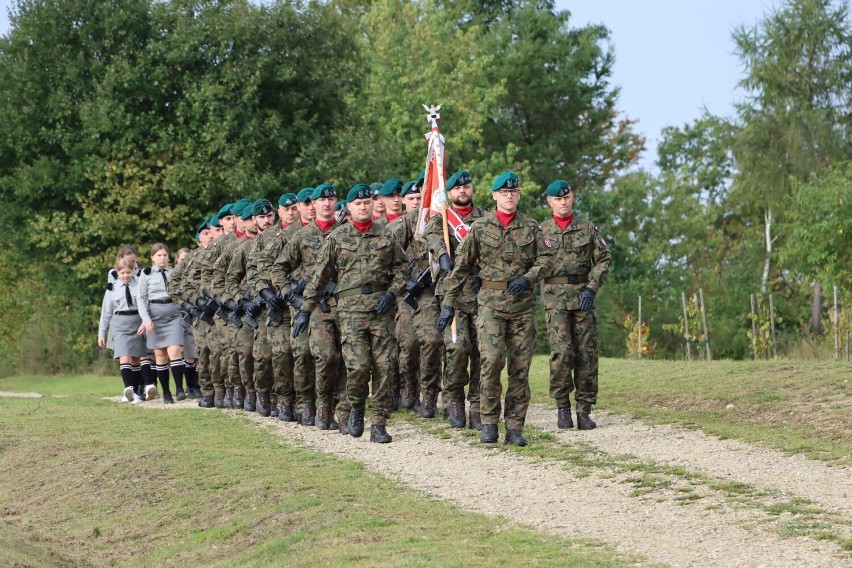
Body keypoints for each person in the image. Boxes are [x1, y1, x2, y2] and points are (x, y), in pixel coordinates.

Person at [437, 171, 553, 446]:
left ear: (518, 195)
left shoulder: (531, 227)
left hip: (522, 309)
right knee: (490, 364)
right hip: (489, 305)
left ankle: (514, 428)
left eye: (513, 192)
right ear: (494, 195)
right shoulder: (480, 228)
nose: (509, 196)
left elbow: (547, 259)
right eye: (504, 192)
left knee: (520, 369)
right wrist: (448, 304)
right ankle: (489, 423)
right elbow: (462, 267)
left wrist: (529, 278)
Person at [292, 183, 407, 443]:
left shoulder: (387, 236)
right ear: (350, 207)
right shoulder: (338, 238)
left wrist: (392, 293)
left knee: (385, 367)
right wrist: (304, 310)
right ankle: (355, 407)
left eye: (367, 202)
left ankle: (379, 422)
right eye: (358, 203)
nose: (364, 206)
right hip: (351, 313)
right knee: (358, 366)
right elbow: (319, 278)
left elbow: (402, 270)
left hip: (382, 310)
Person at [539, 180, 611, 430]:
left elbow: (604, 258)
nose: (563, 202)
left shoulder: (587, 228)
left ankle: (584, 410)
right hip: (555, 300)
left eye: (566, 197)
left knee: (586, 353)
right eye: (558, 199)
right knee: (562, 353)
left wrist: (593, 286)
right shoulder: (541, 232)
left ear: (572, 197)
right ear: (549, 202)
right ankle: (562, 407)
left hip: (582, 296)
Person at [276, 183, 346, 430]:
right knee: (322, 357)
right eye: (321, 200)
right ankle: (313, 404)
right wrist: (291, 298)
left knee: (348, 358)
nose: (326, 204)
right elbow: (278, 268)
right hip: (314, 306)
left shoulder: (345, 232)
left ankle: (340, 410)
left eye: (331, 200)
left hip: (346, 304)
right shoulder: (302, 237)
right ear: (313, 205)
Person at [425, 170, 486, 429]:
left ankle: (478, 406)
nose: (462, 191)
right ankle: (454, 399)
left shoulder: (485, 218)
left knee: (483, 352)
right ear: (448, 193)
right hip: (453, 293)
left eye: (466, 186)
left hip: (483, 292)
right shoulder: (441, 219)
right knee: (458, 349)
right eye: (456, 188)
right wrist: (441, 254)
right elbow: (433, 237)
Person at [388, 180, 444, 418]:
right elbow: (385, 256)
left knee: (431, 342)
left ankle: (429, 394)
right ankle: (409, 383)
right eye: (413, 198)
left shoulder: (443, 221)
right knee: (408, 344)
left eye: (422, 195)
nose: (419, 200)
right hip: (407, 291)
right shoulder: (404, 224)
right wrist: (402, 279)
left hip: (432, 290)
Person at [136, 243, 185, 404]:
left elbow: (181, 292)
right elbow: (141, 299)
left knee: (175, 350)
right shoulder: (146, 274)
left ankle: (179, 389)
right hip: (155, 316)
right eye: (159, 255)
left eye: (164, 255)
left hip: (173, 314)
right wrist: (146, 320)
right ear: (152, 258)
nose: (162, 258)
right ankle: (167, 393)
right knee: (160, 355)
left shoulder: (174, 272)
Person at [98, 257, 150, 404]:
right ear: (117, 273)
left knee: (135, 359)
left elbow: (145, 305)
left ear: (133, 271)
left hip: (136, 322)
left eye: (128, 272)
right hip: (119, 325)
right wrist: (101, 333)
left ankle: (135, 393)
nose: (126, 275)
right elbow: (106, 312)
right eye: (122, 273)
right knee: (124, 356)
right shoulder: (112, 289)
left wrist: (145, 322)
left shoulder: (139, 285)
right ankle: (128, 389)